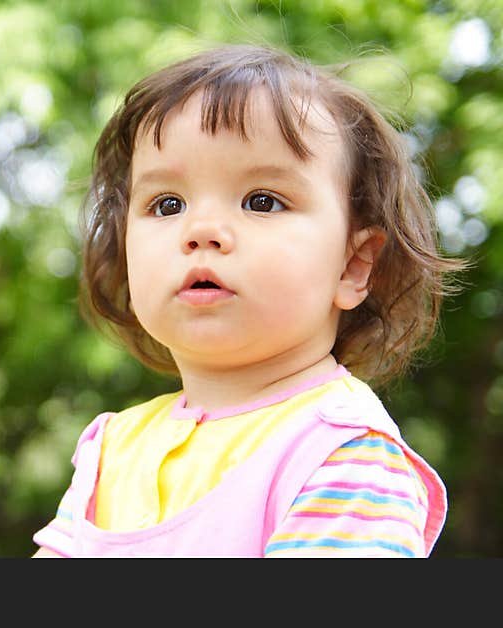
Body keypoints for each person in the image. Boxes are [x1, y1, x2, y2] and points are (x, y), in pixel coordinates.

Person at [31, 44, 466, 557]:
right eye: (167, 204)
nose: (202, 231)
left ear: (353, 265)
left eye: (262, 201)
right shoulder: (111, 450)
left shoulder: (341, 454)